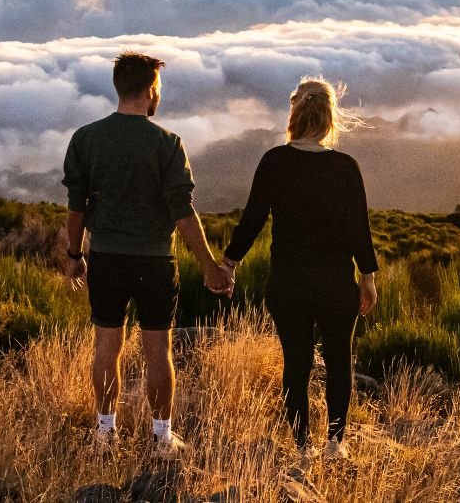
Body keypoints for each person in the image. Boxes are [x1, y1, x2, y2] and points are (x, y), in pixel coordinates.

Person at [61, 51, 233, 456]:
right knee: (159, 349)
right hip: (156, 261)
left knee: (107, 346)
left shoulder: (86, 138)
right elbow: (182, 212)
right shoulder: (167, 143)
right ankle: (162, 437)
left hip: (105, 257)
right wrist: (209, 266)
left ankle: (105, 435)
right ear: (151, 90)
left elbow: (76, 207)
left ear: (119, 87)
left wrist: (74, 254)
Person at [220, 77, 379, 460]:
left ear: (294, 113)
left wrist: (228, 263)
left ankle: (302, 446)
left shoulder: (275, 162)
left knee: (296, 363)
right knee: (340, 360)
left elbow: (253, 220)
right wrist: (368, 277)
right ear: (329, 119)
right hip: (334, 284)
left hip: (288, 284)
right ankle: (335, 444)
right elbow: (358, 227)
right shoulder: (344, 167)